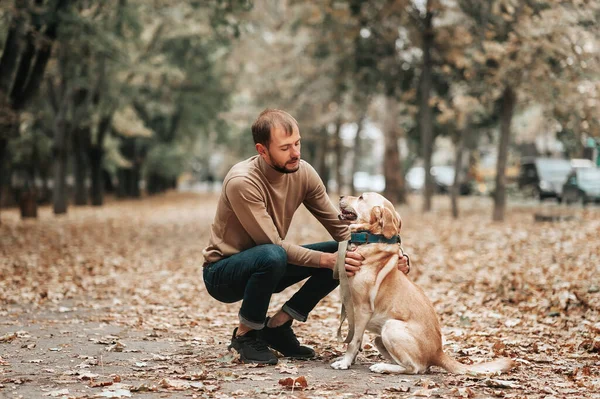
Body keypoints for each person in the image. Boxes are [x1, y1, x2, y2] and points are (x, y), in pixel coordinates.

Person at [202, 109, 409, 365]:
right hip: (223, 273)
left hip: (269, 263)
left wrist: (388, 253)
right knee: (277, 254)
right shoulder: (242, 182)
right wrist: (326, 260)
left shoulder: (303, 172)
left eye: (297, 143)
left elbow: (339, 226)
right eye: (285, 147)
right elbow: (272, 243)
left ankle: (278, 326)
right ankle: (245, 335)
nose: (296, 153)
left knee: (343, 250)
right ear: (262, 150)